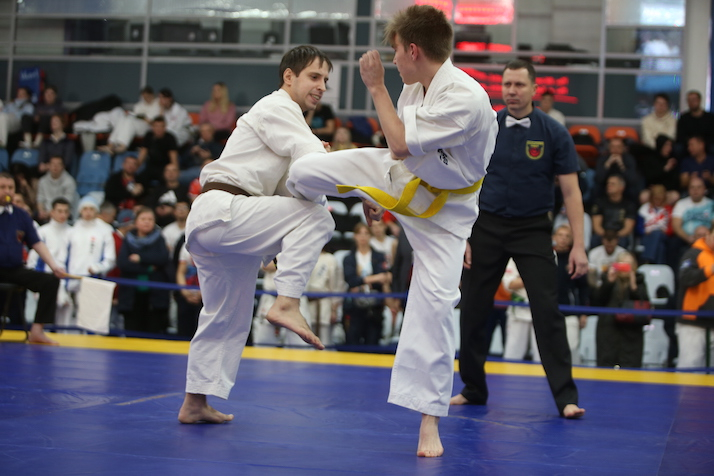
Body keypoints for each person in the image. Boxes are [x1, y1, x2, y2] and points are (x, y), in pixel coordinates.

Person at [287, 5, 498, 456]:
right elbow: (398, 151)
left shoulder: (465, 97)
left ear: (414, 50)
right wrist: (373, 193)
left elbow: (400, 143)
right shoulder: (414, 88)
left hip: (447, 215)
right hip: (401, 178)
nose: (393, 58)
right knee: (304, 172)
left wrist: (376, 86)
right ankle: (281, 229)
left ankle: (429, 423)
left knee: (435, 309)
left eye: (396, 50)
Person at [177, 45, 335, 425]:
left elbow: (299, 190)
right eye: (314, 77)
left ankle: (195, 402)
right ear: (289, 77)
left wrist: (322, 164)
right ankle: (287, 302)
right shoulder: (278, 106)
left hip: (219, 222)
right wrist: (363, 190)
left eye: (326, 80)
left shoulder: (288, 125)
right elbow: (311, 162)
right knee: (320, 219)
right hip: (226, 211)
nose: (321, 86)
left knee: (226, 316)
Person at [449, 59, 587, 421]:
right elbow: (464, 181)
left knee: (547, 311)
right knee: (473, 309)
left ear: (534, 89)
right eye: (507, 84)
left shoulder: (554, 132)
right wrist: (463, 234)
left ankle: (565, 397)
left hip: (533, 230)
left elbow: (571, 192)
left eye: (519, 85)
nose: (512, 91)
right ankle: (473, 388)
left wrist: (579, 245)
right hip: (485, 227)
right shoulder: (485, 126)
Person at [0, 172, 65, 344]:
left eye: (10, 187)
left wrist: (54, 266)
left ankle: (37, 331)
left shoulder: (21, 215)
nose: (7, 191)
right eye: (2, 187)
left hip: (14, 269)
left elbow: (36, 243)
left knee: (50, 282)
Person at [117, 206, 171, 334]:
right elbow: (123, 263)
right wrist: (149, 267)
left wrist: (140, 258)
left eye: (150, 219)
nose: (147, 222)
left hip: (154, 297)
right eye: (143, 219)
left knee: (153, 332)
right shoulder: (128, 239)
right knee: (132, 331)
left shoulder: (159, 239)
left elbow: (162, 258)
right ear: (136, 222)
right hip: (131, 296)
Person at [593, 251, 649, 368]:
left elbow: (645, 308)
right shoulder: (607, 279)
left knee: (631, 370)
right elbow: (598, 301)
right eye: (622, 264)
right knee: (606, 368)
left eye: (628, 265)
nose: (625, 269)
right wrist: (609, 282)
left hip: (632, 335)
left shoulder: (640, 281)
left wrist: (634, 288)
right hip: (608, 332)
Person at [26, 197, 73, 327]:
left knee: (65, 316)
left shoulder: (73, 232)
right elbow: (33, 259)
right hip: (45, 279)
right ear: (52, 212)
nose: (63, 214)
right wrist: (35, 282)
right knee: (43, 318)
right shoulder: (42, 232)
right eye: (59, 211)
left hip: (66, 281)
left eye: (65, 211)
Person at [342, 222, 391, 346]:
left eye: (366, 233)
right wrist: (373, 278)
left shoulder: (379, 256)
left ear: (370, 236)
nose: (363, 237)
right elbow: (351, 280)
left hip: (374, 307)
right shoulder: (349, 258)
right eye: (360, 233)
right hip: (355, 308)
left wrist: (362, 281)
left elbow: (383, 278)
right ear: (355, 236)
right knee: (352, 344)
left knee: (373, 344)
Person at [677, 224, 714, 368]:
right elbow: (685, 277)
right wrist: (710, 270)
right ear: (708, 235)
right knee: (690, 366)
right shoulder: (693, 253)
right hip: (692, 322)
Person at [553, 224, 589, 365]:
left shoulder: (575, 259)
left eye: (567, 236)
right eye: (560, 235)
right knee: (550, 348)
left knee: (572, 348)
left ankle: (574, 374)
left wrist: (583, 312)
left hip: (570, 311)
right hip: (550, 310)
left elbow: (583, 287)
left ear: (571, 239)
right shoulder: (546, 257)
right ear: (554, 237)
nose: (563, 239)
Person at [501, 257, 540, 362]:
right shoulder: (514, 257)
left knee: (542, 355)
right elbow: (509, 284)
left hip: (541, 311)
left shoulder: (548, 252)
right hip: (518, 311)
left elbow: (550, 280)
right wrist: (533, 277)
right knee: (513, 353)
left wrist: (523, 279)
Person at [102, 86, 161, 155]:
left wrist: (145, 119)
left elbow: (157, 120)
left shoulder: (158, 103)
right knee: (123, 118)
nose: (146, 99)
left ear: (152, 94)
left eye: (148, 97)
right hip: (138, 125)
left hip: (149, 127)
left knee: (130, 121)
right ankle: (111, 144)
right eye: (144, 97)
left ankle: (122, 146)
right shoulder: (139, 105)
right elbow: (135, 115)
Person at [591, 174, 637, 249]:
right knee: (595, 239)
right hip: (603, 234)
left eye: (612, 184)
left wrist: (614, 237)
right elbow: (596, 226)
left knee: (623, 241)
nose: (609, 186)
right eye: (608, 183)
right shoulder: (599, 202)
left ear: (621, 187)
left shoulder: (629, 205)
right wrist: (607, 236)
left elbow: (628, 228)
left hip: (620, 235)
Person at [594, 137, 642, 201]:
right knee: (596, 188)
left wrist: (621, 165)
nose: (615, 149)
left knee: (633, 189)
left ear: (623, 148)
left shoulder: (629, 159)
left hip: (625, 185)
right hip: (606, 185)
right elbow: (599, 178)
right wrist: (608, 164)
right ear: (609, 148)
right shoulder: (603, 158)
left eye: (618, 147)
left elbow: (632, 179)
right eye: (613, 147)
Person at [136, 116, 179, 187]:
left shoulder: (170, 138)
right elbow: (143, 152)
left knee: (166, 182)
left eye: (161, 126)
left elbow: (173, 157)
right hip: (151, 166)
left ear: (165, 127)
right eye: (156, 126)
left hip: (165, 167)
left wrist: (175, 171)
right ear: (152, 127)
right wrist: (137, 165)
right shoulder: (149, 136)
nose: (159, 129)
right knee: (140, 179)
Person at [35, 156, 76, 223]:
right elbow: (40, 198)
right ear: (48, 165)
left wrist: (51, 213)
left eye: (58, 164)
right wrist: (41, 211)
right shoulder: (42, 181)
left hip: (62, 212)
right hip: (46, 213)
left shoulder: (69, 181)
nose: (55, 167)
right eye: (53, 164)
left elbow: (67, 201)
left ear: (63, 166)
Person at [638, 184, 672, 264]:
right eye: (656, 198)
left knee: (657, 233)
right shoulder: (644, 208)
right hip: (647, 236)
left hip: (663, 235)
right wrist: (644, 231)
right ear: (651, 197)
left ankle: (647, 258)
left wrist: (666, 231)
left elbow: (671, 228)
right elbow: (638, 228)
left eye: (660, 199)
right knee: (660, 247)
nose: (658, 201)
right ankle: (660, 267)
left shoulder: (668, 209)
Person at [676, 90, 714, 154]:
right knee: (678, 148)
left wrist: (700, 144)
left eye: (694, 100)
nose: (691, 102)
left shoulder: (710, 117)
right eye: (689, 100)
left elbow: (712, 135)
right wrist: (692, 143)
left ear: (699, 100)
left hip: (706, 144)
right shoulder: (683, 118)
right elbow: (680, 136)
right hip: (688, 144)